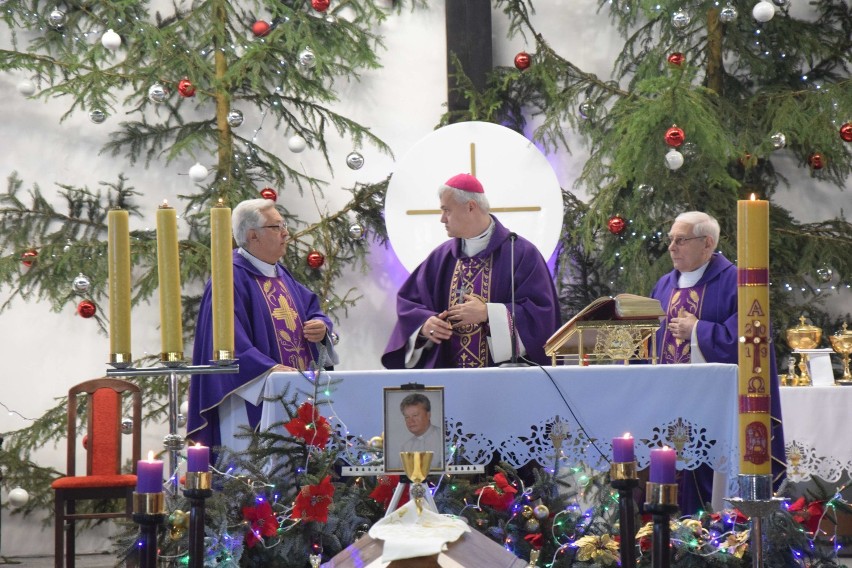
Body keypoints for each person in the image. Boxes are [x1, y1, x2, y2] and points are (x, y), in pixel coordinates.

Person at [650, 211, 784, 514]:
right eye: (670, 239)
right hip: (669, 403)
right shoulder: (663, 285)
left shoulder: (737, 281)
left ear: (707, 243)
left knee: (708, 484)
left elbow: (751, 341)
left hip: (715, 406)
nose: (671, 247)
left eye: (680, 240)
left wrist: (697, 330)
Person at [187, 198, 338, 451]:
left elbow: (313, 308)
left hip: (296, 395)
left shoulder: (279, 273)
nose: (286, 232)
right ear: (252, 236)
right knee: (255, 478)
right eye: (277, 226)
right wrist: (269, 370)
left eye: (284, 225)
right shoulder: (229, 278)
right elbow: (226, 343)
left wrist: (321, 328)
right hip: (248, 402)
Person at [381, 173, 560, 369]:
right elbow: (410, 304)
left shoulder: (520, 253)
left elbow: (542, 317)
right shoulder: (440, 258)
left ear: (471, 207)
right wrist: (424, 327)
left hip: (504, 383)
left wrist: (488, 313)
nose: (442, 219)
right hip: (448, 380)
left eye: (446, 210)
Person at [399, 393, 443, 465]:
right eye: (407, 417)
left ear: (428, 415)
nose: (411, 421)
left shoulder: (444, 438)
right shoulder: (406, 447)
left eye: (415, 415)